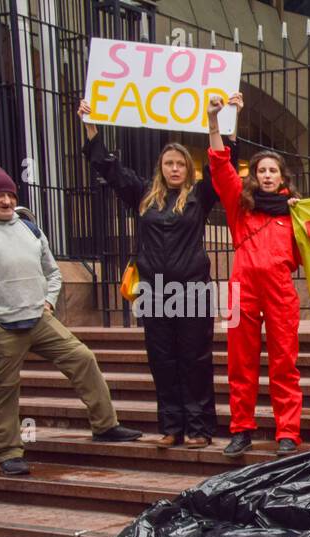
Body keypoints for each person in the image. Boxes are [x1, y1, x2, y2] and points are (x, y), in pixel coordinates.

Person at [78, 96, 236, 448]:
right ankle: (171, 426)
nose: (175, 168)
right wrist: (91, 126)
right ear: (161, 166)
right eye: (169, 163)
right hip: (153, 291)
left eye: (181, 163)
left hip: (192, 290)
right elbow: (108, 167)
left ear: (188, 168)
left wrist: (218, 120)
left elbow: (223, 165)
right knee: (162, 359)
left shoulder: (200, 196)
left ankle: (198, 428)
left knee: (195, 359)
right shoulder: (143, 194)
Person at [0, 167, 140, 475]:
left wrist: (49, 301)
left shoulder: (29, 228)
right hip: (0, 326)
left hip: (38, 318)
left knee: (82, 358)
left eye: (10, 194)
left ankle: (105, 425)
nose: (6, 200)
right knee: (2, 388)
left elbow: (52, 272)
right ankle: (8, 452)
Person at [206, 94, 304, 458]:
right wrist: (214, 121)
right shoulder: (239, 205)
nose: (265, 175)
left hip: (280, 292)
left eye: (272, 170)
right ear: (254, 176)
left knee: (284, 363)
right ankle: (241, 429)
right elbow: (219, 166)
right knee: (239, 363)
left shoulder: (296, 212)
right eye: (260, 170)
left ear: (282, 177)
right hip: (240, 291)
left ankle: (288, 432)